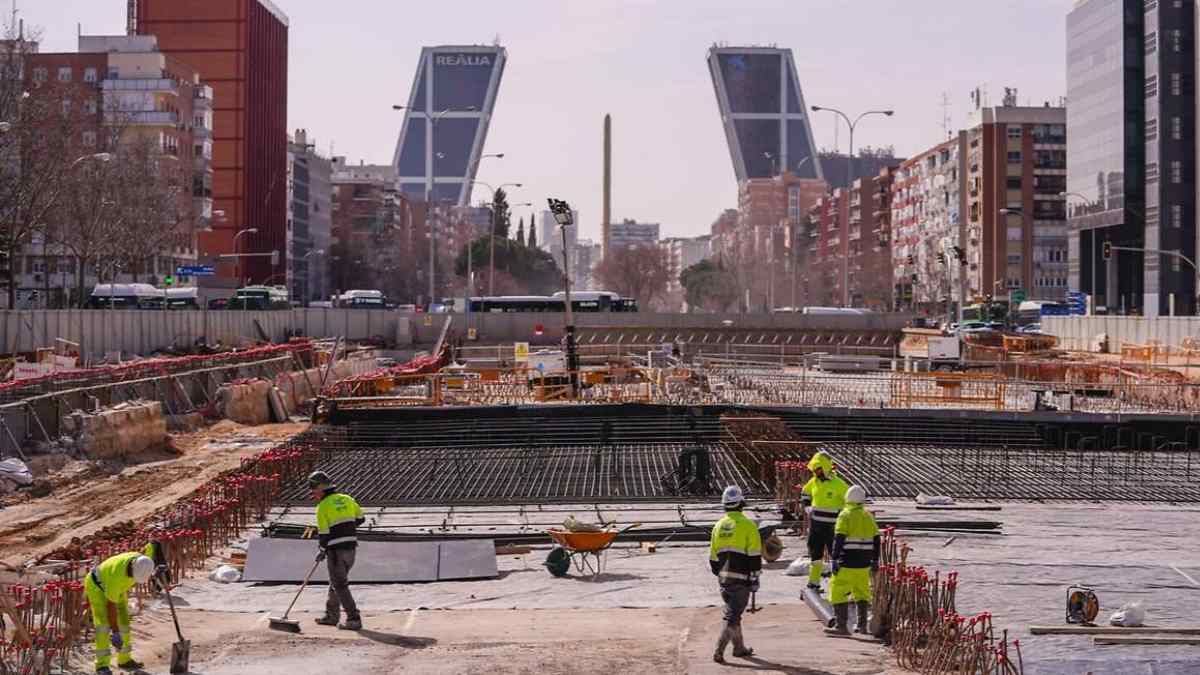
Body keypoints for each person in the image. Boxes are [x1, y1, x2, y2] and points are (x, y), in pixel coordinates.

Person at [708, 484, 762, 663]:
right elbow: (754, 555)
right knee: (732, 616)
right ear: (741, 504)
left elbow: (713, 558)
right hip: (742, 580)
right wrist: (754, 578)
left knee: (734, 613)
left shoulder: (718, 526)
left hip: (724, 580)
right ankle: (719, 650)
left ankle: (739, 648)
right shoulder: (748, 525)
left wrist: (722, 575)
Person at [310, 470, 365, 630]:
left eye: (313, 489)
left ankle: (354, 619)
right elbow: (361, 518)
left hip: (336, 551)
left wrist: (321, 550)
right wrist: (345, 530)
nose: (313, 493)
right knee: (336, 583)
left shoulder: (322, 507)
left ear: (320, 488)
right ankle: (331, 616)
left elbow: (324, 534)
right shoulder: (347, 499)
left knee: (340, 585)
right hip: (351, 548)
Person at [84, 551, 156, 673]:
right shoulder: (116, 576)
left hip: (119, 589)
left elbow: (148, 561)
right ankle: (102, 665)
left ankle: (124, 659)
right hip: (97, 587)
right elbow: (110, 606)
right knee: (103, 626)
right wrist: (115, 631)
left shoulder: (141, 561)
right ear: (132, 568)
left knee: (124, 622)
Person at [825, 485, 881, 637]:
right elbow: (877, 539)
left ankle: (841, 626)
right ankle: (862, 626)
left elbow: (839, 538)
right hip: (864, 564)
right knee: (862, 593)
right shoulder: (868, 516)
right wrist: (875, 560)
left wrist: (835, 558)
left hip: (847, 562)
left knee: (838, 591)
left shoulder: (845, 515)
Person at [799, 452, 849, 591]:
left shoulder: (839, 484)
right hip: (816, 526)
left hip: (833, 528)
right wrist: (807, 505)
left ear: (826, 467)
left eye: (818, 468)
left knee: (835, 556)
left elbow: (850, 501)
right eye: (815, 469)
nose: (816, 472)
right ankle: (813, 583)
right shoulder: (813, 481)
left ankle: (837, 586)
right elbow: (805, 493)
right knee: (815, 555)